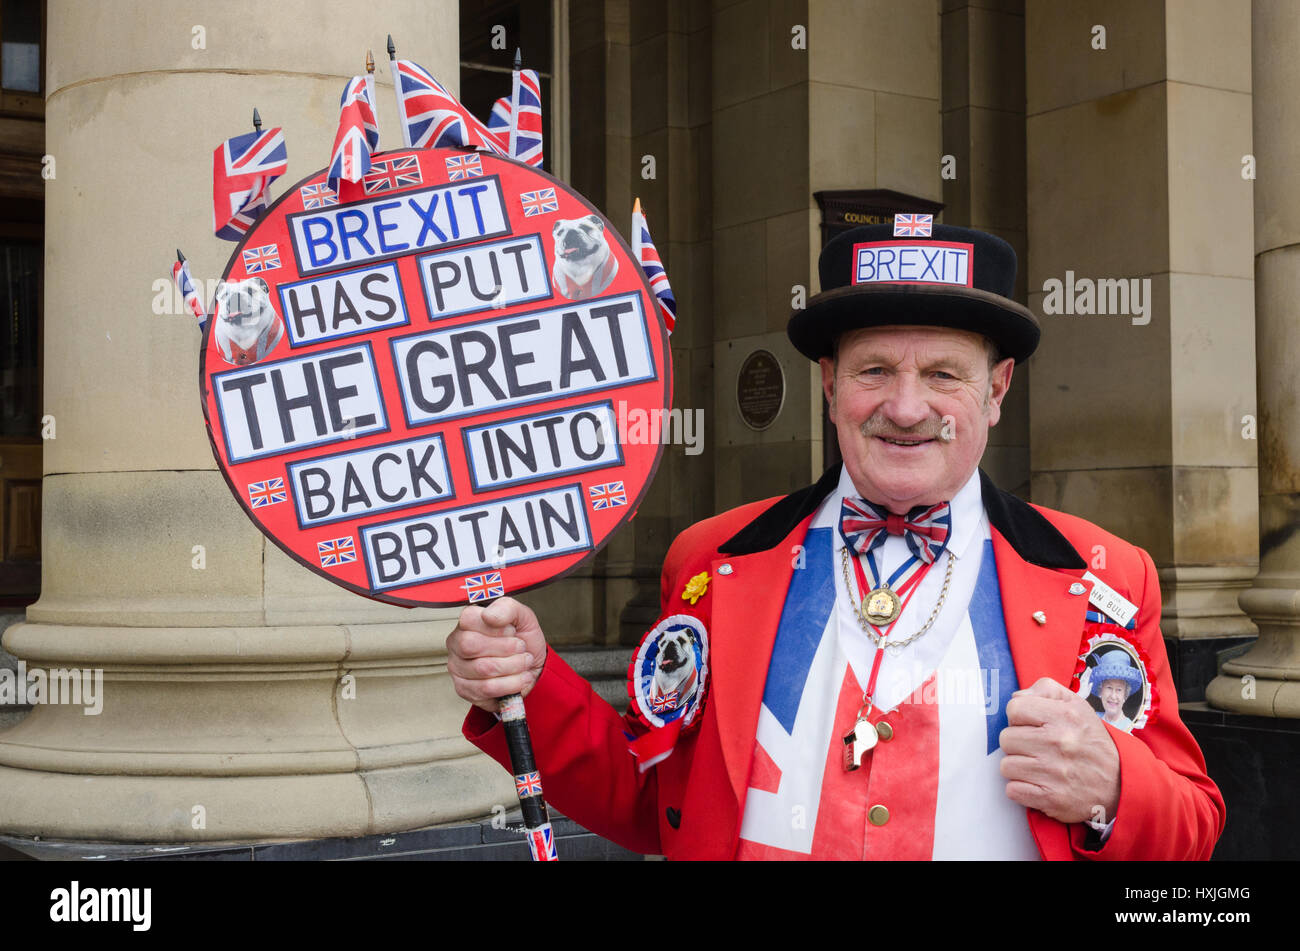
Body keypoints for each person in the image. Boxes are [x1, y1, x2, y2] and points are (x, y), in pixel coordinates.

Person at [448, 221, 1226, 860]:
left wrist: (1112, 787)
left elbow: (1193, 823)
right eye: (875, 369)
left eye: (946, 374)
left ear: (996, 391)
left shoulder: (1100, 577)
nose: (907, 406)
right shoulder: (713, 562)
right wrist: (531, 680)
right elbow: (655, 799)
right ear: (829, 384)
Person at [1088, 650, 1145, 733]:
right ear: (1100, 691)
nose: (1113, 696)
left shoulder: (1130, 728)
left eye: (1119, 690)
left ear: (1125, 695)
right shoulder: (1092, 718)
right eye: (1109, 687)